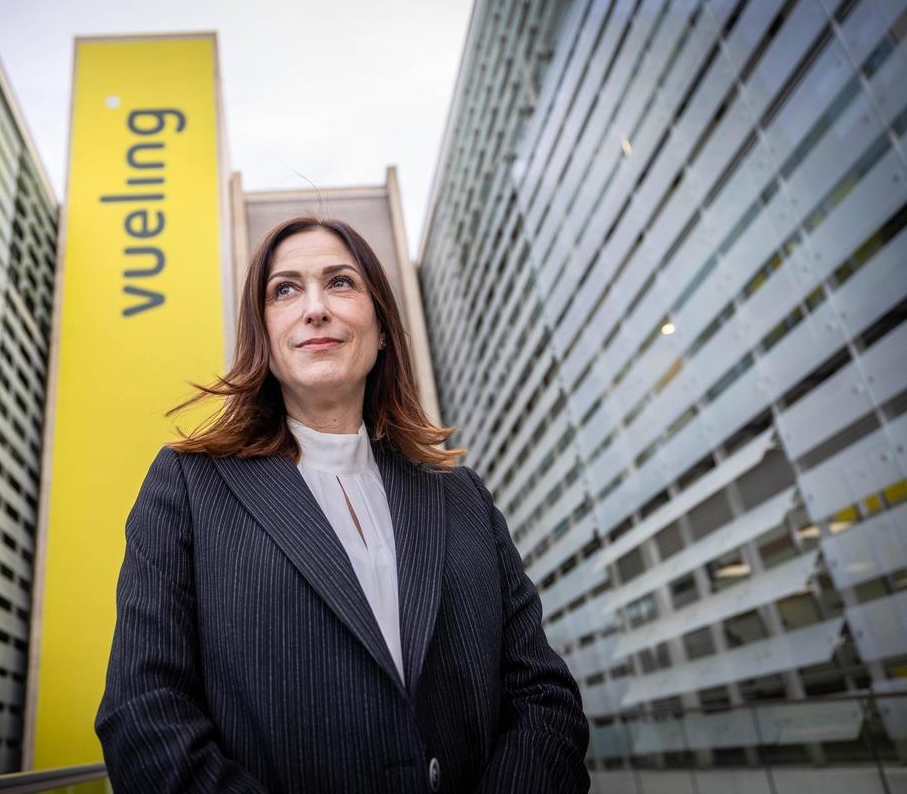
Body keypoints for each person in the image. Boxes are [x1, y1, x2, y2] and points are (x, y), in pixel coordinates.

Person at [94, 216, 590, 793]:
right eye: (285, 290)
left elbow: (544, 697)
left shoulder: (461, 497)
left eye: (341, 282)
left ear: (381, 329)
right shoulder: (187, 486)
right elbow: (144, 713)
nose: (314, 308)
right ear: (264, 339)